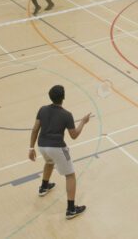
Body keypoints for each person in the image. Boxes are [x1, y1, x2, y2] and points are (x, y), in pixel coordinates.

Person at [28, 85, 91, 219]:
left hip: (42, 146)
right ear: (63, 98)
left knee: (49, 162)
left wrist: (31, 148)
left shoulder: (42, 109)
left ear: (50, 96)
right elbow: (74, 135)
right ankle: (71, 209)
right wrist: (83, 122)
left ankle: (44, 187)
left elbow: (35, 130)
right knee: (70, 175)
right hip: (58, 148)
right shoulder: (67, 115)